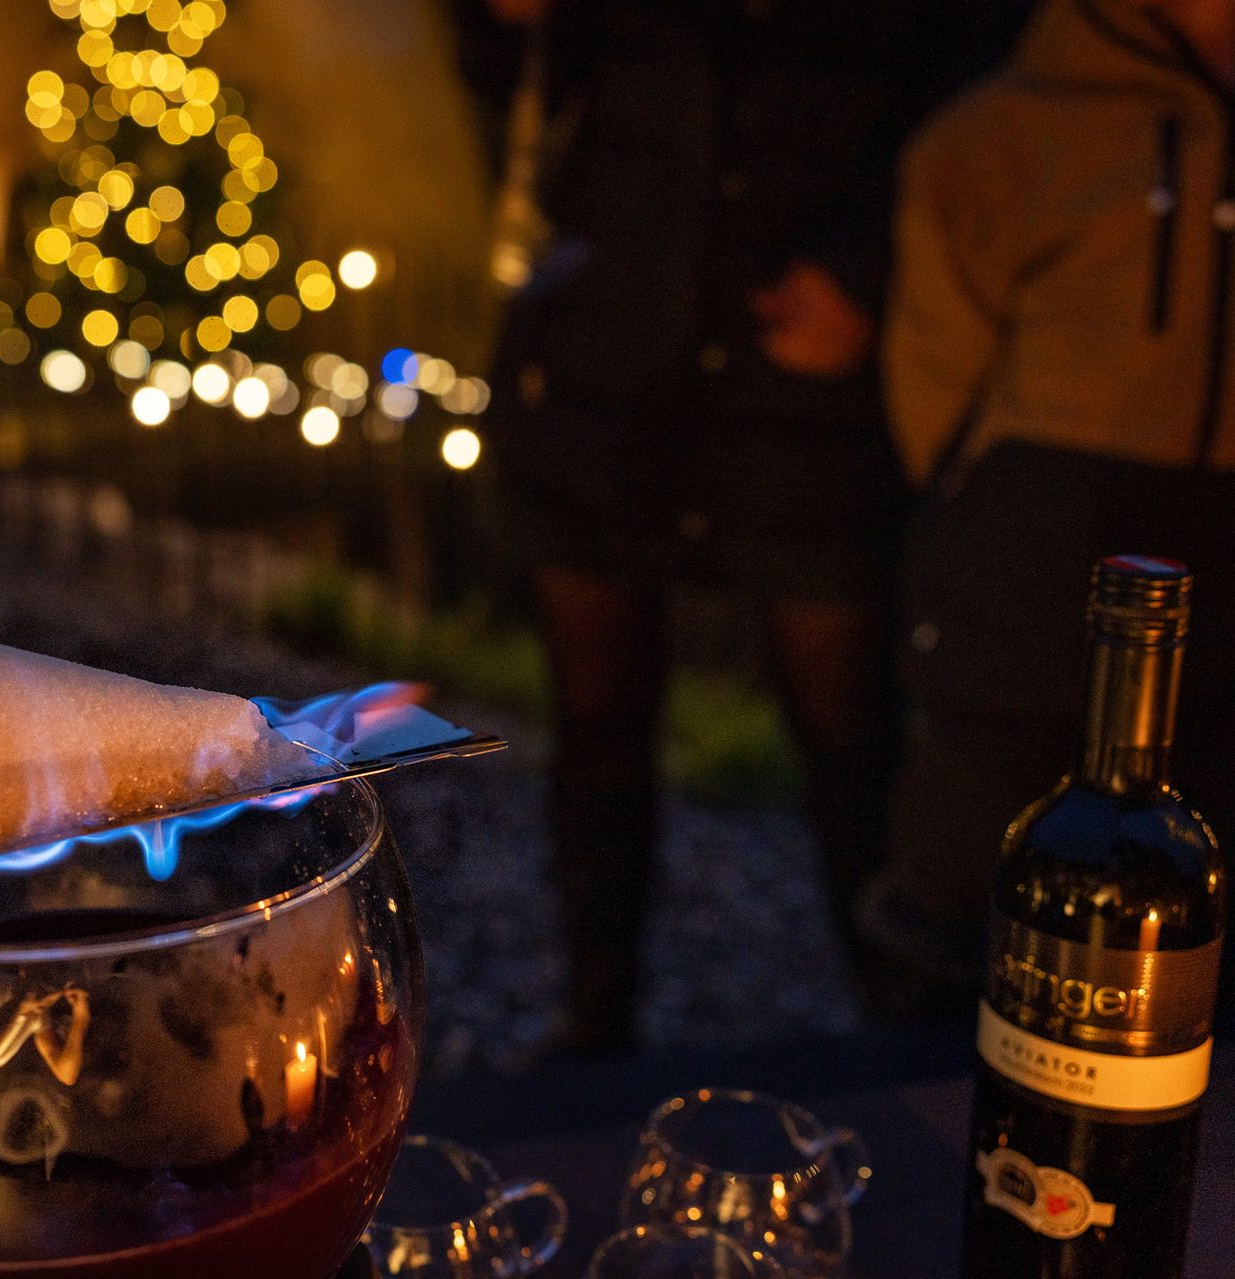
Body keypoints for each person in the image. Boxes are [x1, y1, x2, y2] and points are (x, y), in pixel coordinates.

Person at [478, 0, 1034, 1052]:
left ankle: (900, 1031)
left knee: (847, 732)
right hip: (611, 346)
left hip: (803, 369)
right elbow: (513, 77)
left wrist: (870, 269)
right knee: (595, 721)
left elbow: (978, 75)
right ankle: (594, 1020)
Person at [868, 0, 1235, 1016]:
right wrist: (1001, 503)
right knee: (968, 891)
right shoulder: (1008, 131)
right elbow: (933, 396)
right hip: (1032, 573)